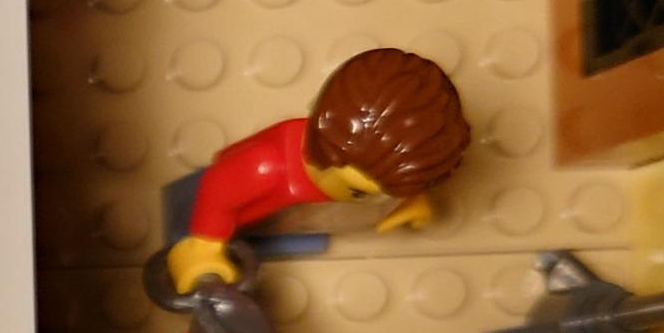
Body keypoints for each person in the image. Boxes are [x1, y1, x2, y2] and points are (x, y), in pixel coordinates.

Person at [162, 46, 473, 298]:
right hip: (235, 212)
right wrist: (205, 244)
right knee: (191, 216)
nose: (375, 198)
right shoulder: (266, 167)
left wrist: (405, 200)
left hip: (298, 216)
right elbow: (216, 189)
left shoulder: (362, 174)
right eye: (359, 192)